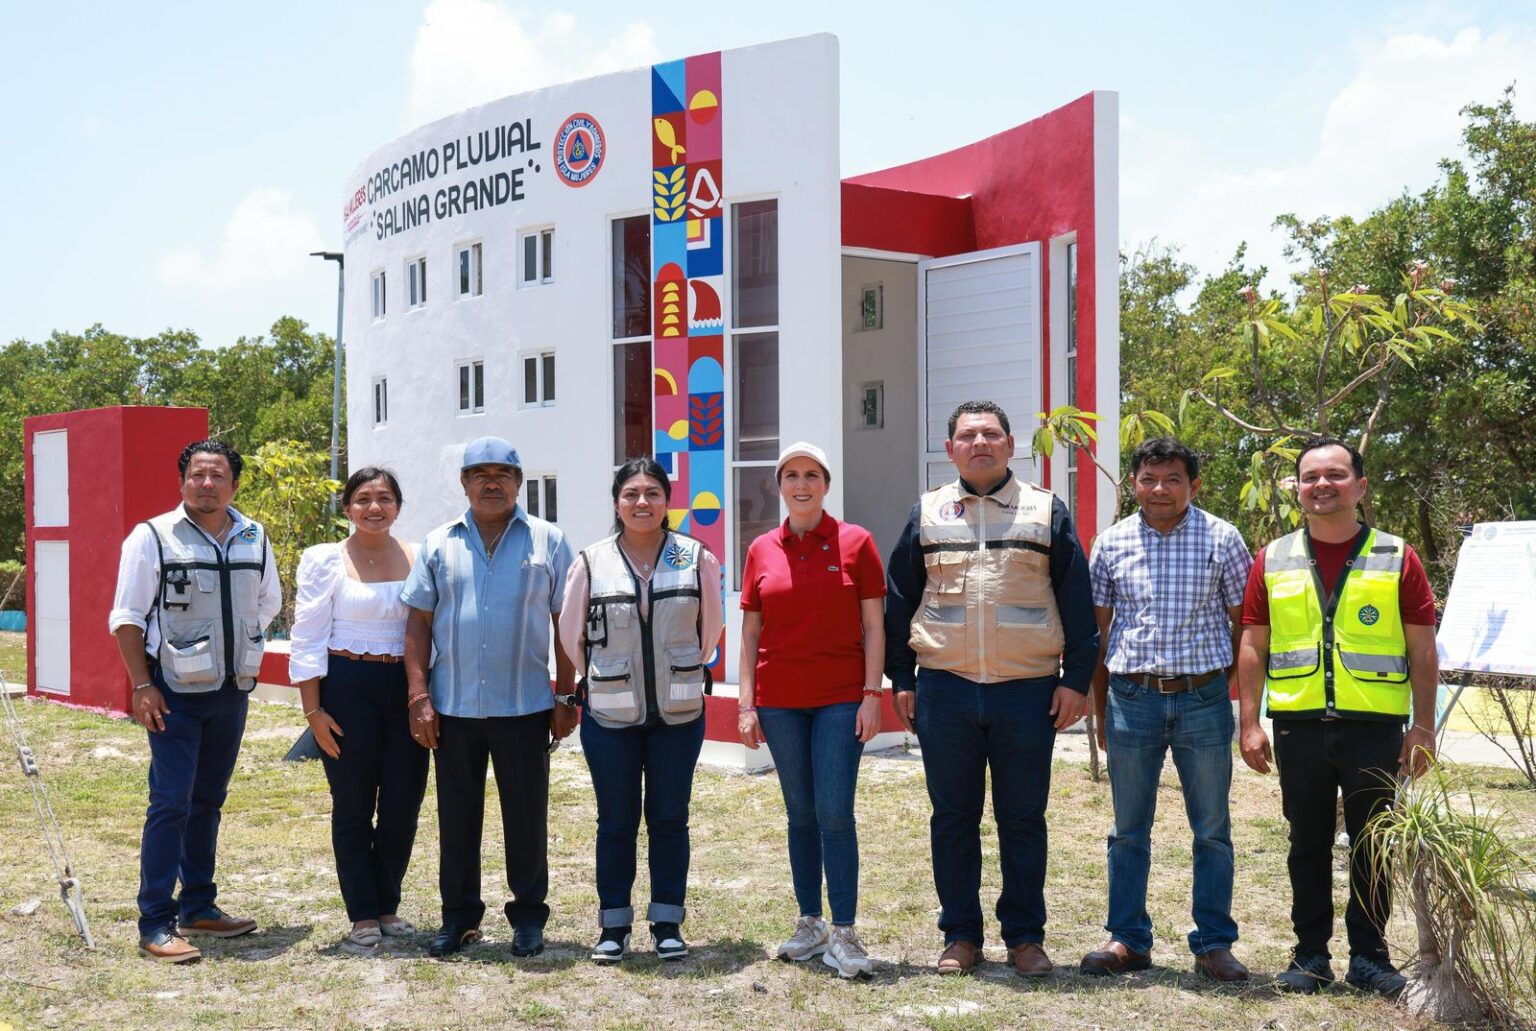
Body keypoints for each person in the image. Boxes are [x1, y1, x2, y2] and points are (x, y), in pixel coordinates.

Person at [884, 400, 1098, 977]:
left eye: (991, 434)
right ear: (950, 448)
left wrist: (1076, 680)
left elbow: (1076, 600)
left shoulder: (1044, 510)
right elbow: (900, 599)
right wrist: (902, 679)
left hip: (1027, 692)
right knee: (952, 817)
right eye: (967, 435)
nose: (980, 443)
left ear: (1011, 444)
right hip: (945, 691)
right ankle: (960, 936)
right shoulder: (927, 513)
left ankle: (1025, 937)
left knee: (1023, 818)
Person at [1237, 436, 1439, 998]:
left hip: (1374, 725)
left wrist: (1423, 727)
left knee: (1374, 843)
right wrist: (1249, 722)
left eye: (1335, 475)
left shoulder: (1397, 556)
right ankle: (1310, 957)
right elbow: (1254, 642)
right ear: (1297, 489)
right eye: (1310, 477)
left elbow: (1424, 650)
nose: (1321, 485)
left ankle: (1370, 959)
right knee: (1306, 842)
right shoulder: (1272, 558)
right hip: (1299, 724)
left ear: (1360, 485)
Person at [1080, 437, 1252, 981]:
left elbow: (1246, 624)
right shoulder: (1109, 545)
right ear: (1133, 483)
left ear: (1193, 485)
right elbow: (1098, 636)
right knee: (1128, 829)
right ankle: (1128, 938)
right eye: (1149, 478)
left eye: (1173, 479)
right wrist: (1103, 710)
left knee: (1212, 828)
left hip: (1203, 702)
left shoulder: (1223, 539)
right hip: (1132, 700)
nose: (1159, 489)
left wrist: (1219, 687)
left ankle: (1213, 943)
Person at [401, 437, 577, 959]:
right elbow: (417, 623)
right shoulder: (439, 543)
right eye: (481, 473)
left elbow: (564, 624)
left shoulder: (548, 541)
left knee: (526, 817)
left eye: (504, 473)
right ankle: (458, 918)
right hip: (451, 708)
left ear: (519, 483)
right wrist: (418, 696)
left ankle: (528, 918)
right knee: (457, 819)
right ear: (464, 483)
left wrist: (565, 694)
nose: (492, 482)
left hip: (524, 705)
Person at [108, 440, 281, 963]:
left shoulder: (254, 535)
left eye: (218, 475)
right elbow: (127, 617)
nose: (207, 484)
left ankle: (199, 906)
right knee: (170, 804)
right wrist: (143, 684)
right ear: (182, 480)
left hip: (231, 692)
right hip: (173, 695)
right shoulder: (152, 537)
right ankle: (155, 922)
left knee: (208, 801)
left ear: (234, 483)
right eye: (198, 475)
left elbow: (268, 602)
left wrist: (235, 649)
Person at [557, 458, 723, 963]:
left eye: (652, 492)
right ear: (616, 503)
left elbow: (711, 629)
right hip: (609, 718)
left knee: (670, 818)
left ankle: (668, 922)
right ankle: (614, 926)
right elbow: (571, 636)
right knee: (616, 822)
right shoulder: (591, 561)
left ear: (667, 500)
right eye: (631, 494)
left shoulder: (695, 557)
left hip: (679, 714)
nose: (642, 502)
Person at [737, 442, 887, 979]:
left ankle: (844, 931)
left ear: (826, 484)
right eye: (791, 476)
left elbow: (874, 627)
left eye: (812, 476)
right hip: (778, 703)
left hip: (841, 699)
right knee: (799, 814)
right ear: (779, 486)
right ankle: (811, 922)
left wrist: (873, 695)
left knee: (834, 813)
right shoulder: (760, 549)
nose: (801, 485)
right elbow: (751, 634)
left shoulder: (856, 542)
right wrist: (746, 704)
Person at [288, 467, 427, 950]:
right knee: (352, 804)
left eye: (385, 498)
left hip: (406, 689)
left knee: (403, 804)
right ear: (347, 508)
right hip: (346, 687)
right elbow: (306, 638)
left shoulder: (419, 556)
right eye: (363, 499)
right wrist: (313, 712)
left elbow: (430, 629)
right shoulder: (324, 560)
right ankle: (362, 914)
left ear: (397, 506)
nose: (374, 507)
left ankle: (388, 904)